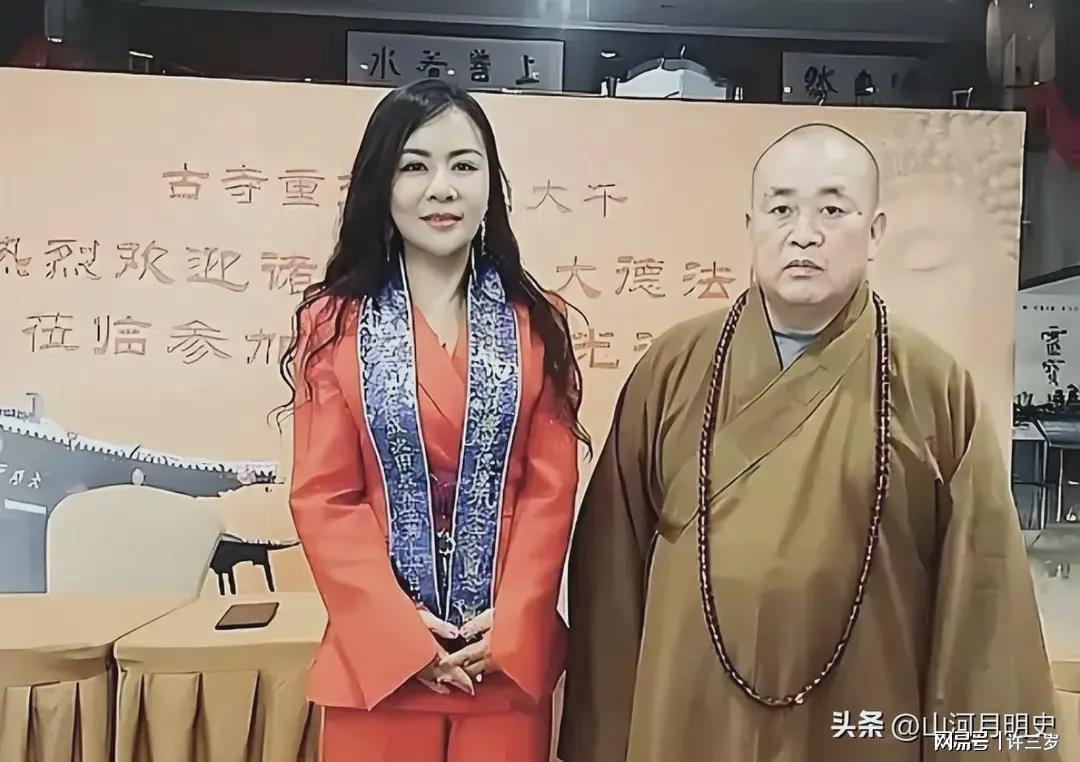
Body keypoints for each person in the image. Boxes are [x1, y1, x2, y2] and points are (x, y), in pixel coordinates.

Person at [559, 123, 1059, 762]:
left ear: (875, 232)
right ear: (750, 226)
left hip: (861, 719)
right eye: (781, 209)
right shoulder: (673, 368)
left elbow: (983, 603)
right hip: (685, 718)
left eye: (832, 210)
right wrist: (603, 740)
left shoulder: (932, 386)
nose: (804, 233)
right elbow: (610, 571)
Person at [282, 79, 586, 762]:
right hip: (381, 664)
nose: (441, 188)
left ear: (490, 185)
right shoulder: (332, 324)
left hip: (499, 658)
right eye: (414, 166)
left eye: (463, 165)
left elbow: (550, 489)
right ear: (382, 185)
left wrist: (515, 620)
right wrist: (397, 635)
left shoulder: (539, 322)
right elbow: (325, 497)